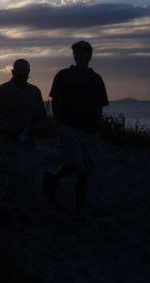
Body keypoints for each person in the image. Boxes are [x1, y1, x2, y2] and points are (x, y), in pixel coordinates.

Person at [44, 40, 108, 221]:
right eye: (76, 52)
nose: (79, 56)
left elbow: (99, 105)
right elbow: (55, 100)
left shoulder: (96, 79)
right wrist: (59, 122)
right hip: (69, 126)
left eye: (82, 52)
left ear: (89, 55)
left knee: (84, 171)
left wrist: (97, 124)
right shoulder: (64, 75)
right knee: (74, 164)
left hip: (89, 129)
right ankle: (53, 179)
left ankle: (78, 209)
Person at [0, 59, 47, 224]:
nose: (23, 78)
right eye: (20, 74)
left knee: (28, 176)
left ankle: (21, 210)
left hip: (28, 141)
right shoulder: (1, 92)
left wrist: (35, 128)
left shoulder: (34, 92)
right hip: (9, 140)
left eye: (25, 74)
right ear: (13, 73)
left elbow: (42, 116)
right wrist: (7, 129)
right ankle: (5, 205)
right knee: (19, 171)